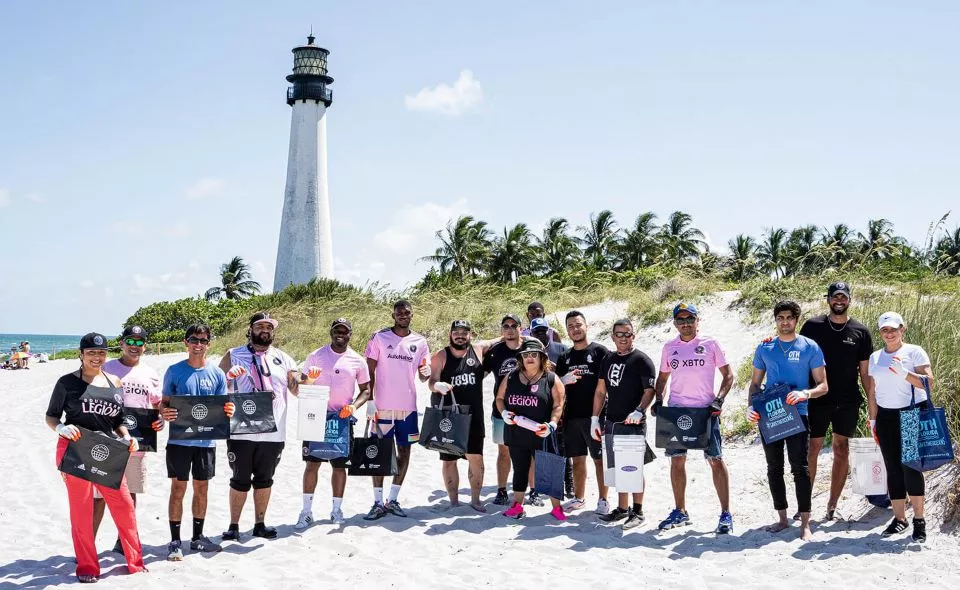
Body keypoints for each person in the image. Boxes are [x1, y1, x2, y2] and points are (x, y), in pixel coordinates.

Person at [45, 332, 145, 583]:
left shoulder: (114, 382)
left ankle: (135, 562)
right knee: (81, 511)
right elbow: (52, 416)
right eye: (91, 352)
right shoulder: (66, 383)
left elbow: (119, 419)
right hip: (76, 447)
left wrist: (126, 436)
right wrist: (60, 429)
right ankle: (88, 567)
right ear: (81, 354)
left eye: (101, 352)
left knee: (124, 506)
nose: (96, 357)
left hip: (107, 450)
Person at [747, 300, 828, 541]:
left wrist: (806, 393)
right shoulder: (765, 348)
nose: (785, 322)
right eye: (780, 318)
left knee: (800, 468)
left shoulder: (809, 346)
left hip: (797, 413)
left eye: (789, 318)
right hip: (770, 414)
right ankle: (782, 519)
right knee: (774, 468)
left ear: (796, 320)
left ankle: (805, 523)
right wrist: (751, 406)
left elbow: (823, 385)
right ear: (775, 320)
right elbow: (754, 383)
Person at [653, 304, 735, 534]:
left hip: (705, 412)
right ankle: (680, 511)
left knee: (715, 460)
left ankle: (725, 514)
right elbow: (662, 378)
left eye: (690, 318)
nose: (686, 323)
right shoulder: (669, 348)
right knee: (677, 461)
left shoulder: (711, 344)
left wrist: (719, 400)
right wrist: (658, 400)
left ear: (698, 320)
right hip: (678, 411)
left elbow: (728, 375)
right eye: (680, 320)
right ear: (675, 324)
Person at [220, 312, 299, 541]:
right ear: (250, 329)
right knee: (239, 479)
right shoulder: (233, 354)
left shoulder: (283, 358)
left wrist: (307, 379)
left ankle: (259, 524)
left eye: (269, 327)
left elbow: (295, 388)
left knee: (265, 479)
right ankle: (233, 526)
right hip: (242, 428)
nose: (265, 330)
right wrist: (228, 377)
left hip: (274, 432)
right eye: (260, 326)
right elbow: (216, 386)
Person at [799, 281, 873, 520]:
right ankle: (804, 506)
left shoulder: (861, 331)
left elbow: (865, 372)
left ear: (849, 300)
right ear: (828, 299)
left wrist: (873, 405)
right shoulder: (812, 326)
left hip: (848, 400)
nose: (839, 301)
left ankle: (832, 505)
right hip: (818, 397)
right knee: (813, 448)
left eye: (843, 297)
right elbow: (798, 356)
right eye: (835, 297)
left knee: (841, 450)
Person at [159, 323, 234, 560]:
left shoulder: (217, 374)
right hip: (180, 441)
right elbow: (164, 403)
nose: (198, 344)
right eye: (194, 339)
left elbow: (224, 407)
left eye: (203, 340)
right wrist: (164, 411)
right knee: (178, 489)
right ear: (186, 343)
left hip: (206, 443)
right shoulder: (174, 371)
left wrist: (229, 409)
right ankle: (174, 541)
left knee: (202, 488)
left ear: (208, 344)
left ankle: (198, 538)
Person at [295, 317, 371, 527]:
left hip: (342, 419)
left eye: (344, 331)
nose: (340, 333)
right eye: (337, 330)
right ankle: (306, 511)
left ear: (350, 334)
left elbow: (366, 390)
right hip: (316, 417)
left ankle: (336, 510)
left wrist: (354, 407)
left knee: (339, 467)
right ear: (331, 332)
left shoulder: (357, 360)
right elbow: (302, 384)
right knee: (312, 464)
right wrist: (309, 379)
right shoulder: (316, 355)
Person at [94, 326, 164, 554]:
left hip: (138, 441)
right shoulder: (106, 367)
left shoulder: (151, 373)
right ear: (122, 343)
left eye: (139, 342)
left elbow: (156, 405)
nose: (134, 347)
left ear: (145, 346)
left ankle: (122, 541)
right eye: (130, 342)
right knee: (99, 495)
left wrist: (160, 420)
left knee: (129, 494)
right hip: (106, 438)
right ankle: (88, 544)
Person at [867, 311, 935, 542]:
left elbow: (929, 383)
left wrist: (905, 373)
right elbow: (873, 391)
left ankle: (919, 520)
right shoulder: (875, 357)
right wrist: (873, 419)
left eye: (894, 329)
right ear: (880, 332)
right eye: (885, 330)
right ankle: (899, 519)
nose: (890, 333)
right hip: (885, 417)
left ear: (902, 329)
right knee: (892, 468)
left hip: (910, 414)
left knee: (910, 468)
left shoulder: (914, 351)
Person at [362, 300, 431, 520]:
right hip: (381, 408)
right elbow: (368, 371)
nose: (403, 315)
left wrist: (426, 372)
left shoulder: (420, 341)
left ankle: (393, 499)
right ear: (393, 314)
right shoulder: (379, 337)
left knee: (405, 452)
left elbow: (422, 374)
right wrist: (370, 400)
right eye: (399, 312)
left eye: (407, 312)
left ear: (412, 315)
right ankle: (377, 502)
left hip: (408, 408)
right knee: (380, 453)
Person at [591, 318, 657, 530]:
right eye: (619, 334)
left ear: (633, 336)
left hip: (633, 423)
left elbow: (650, 391)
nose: (623, 338)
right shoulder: (608, 359)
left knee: (632, 467)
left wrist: (639, 410)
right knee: (617, 468)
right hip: (611, 422)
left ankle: (637, 511)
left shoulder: (642, 360)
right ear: (612, 336)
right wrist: (595, 418)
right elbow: (601, 391)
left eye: (627, 334)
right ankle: (622, 508)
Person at [428, 320, 497, 512]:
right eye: (456, 332)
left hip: (474, 415)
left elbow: (497, 340)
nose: (460, 336)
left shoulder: (478, 349)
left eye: (464, 332)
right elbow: (431, 381)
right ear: (450, 334)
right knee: (449, 460)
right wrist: (437, 386)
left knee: (476, 458)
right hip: (448, 417)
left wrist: (523, 336)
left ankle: (475, 500)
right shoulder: (441, 356)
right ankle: (454, 501)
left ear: (470, 334)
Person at [495, 339, 567, 520]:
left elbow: (558, 405)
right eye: (526, 355)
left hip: (541, 432)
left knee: (548, 470)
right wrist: (503, 413)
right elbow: (499, 398)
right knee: (520, 469)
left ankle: (557, 508)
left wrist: (552, 424)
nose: (529, 358)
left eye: (534, 354)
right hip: (516, 432)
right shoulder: (511, 376)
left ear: (542, 357)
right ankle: (517, 505)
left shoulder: (550, 378)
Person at [554, 310, 610, 515]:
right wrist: (563, 380)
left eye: (578, 325)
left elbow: (608, 385)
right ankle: (579, 498)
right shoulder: (564, 357)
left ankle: (603, 500)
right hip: (571, 417)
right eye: (570, 326)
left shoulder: (600, 352)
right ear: (567, 331)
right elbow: (555, 387)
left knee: (599, 459)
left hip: (595, 416)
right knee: (577, 459)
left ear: (586, 326)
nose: (575, 329)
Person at [482, 314, 528, 505]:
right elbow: (479, 375)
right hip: (502, 409)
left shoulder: (529, 347)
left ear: (520, 327)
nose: (509, 329)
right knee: (504, 451)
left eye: (513, 325)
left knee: (529, 451)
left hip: (529, 407)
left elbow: (546, 371)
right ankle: (502, 490)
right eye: (505, 326)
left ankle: (532, 490)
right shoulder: (495, 352)